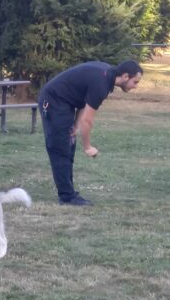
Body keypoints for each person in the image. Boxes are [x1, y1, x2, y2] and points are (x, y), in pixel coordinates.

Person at [38, 60, 142, 206]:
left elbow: (83, 102)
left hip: (65, 103)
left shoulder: (106, 76)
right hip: (53, 100)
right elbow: (88, 120)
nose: (135, 86)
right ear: (125, 76)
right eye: (135, 82)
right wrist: (87, 147)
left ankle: (68, 193)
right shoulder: (102, 83)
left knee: (69, 145)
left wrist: (75, 125)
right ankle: (66, 197)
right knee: (60, 148)